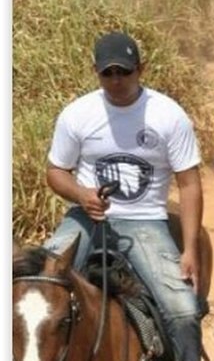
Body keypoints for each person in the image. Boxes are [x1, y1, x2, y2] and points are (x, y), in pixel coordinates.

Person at [44, 31, 205, 361]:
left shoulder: (168, 115)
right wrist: (81, 194)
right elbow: (55, 171)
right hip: (84, 217)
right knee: (33, 285)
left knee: (183, 311)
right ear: (96, 71)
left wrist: (189, 250)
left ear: (140, 69)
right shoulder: (77, 114)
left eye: (124, 72)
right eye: (108, 73)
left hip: (145, 222)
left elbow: (189, 185)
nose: (116, 81)